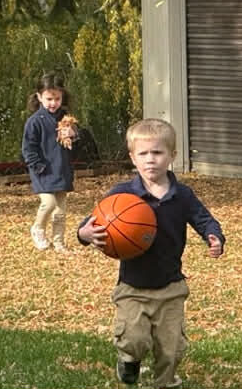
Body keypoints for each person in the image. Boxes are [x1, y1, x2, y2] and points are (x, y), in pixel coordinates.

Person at [78, 119, 225, 388]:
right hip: (133, 286)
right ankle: (129, 360)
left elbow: (204, 219)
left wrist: (213, 236)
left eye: (157, 152)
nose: (150, 160)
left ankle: (165, 383)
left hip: (171, 287)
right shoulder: (122, 195)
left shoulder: (182, 195)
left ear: (172, 155)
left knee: (171, 349)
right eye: (143, 153)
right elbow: (91, 222)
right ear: (133, 158)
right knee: (134, 339)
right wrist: (84, 234)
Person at [22, 71, 77, 253]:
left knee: (60, 211)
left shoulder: (66, 118)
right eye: (49, 99)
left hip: (61, 169)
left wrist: (73, 134)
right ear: (39, 97)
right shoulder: (34, 122)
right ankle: (38, 228)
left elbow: (77, 142)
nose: (53, 103)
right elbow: (28, 148)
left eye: (57, 99)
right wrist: (38, 166)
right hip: (43, 171)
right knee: (49, 203)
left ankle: (59, 243)